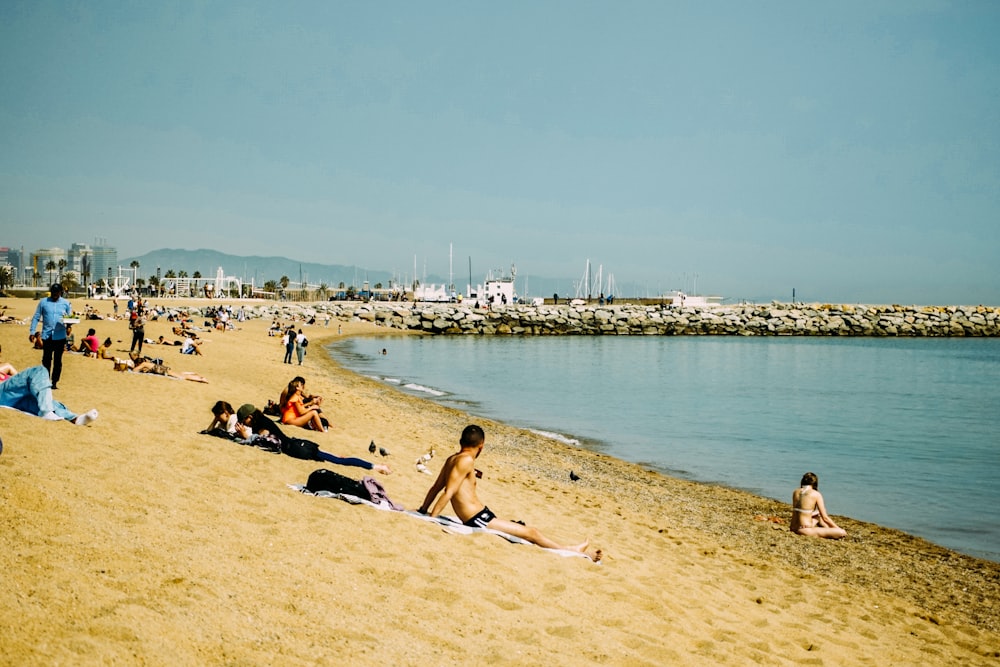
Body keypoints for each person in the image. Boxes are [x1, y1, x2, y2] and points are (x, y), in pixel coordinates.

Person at [418, 424, 600, 561]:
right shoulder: (466, 461)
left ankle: (570, 548)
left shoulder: (452, 459)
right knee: (532, 533)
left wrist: (423, 510)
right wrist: (431, 519)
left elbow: (436, 487)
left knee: (522, 530)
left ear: (461, 442)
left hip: (482, 516)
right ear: (481, 445)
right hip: (478, 519)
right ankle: (574, 551)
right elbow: (448, 492)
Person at [233, 403, 390, 474]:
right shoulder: (262, 420)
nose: (243, 424)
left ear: (250, 417)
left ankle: (376, 467)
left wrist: (246, 437)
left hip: (299, 448)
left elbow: (270, 441)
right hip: (298, 443)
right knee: (337, 458)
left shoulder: (261, 426)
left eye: (244, 420)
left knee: (339, 460)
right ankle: (375, 466)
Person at [0, 355, 98, 425]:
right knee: (39, 370)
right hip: (3, 392)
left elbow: (18, 380)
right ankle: (46, 411)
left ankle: (75, 419)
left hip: (14, 398)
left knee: (40, 400)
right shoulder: (5, 367)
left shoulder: (6, 369)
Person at [29, 283, 72, 388]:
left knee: (58, 361)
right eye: (53, 292)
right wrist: (32, 331)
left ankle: (54, 382)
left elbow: (70, 317)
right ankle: (46, 380)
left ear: (61, 292)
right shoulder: (43, 302)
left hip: (60, 336)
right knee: (46, 360)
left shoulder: (66, 303)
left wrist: (69, 325)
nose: (55, 294)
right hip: (47, 336)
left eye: (57, 292)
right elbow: (36, 317)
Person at [790, 472, 847, 539]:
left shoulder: (796, 492)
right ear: (815, 483)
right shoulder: (816, 494)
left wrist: (815, 514)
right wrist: (838, 528)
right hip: (805, 530)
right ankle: (830, 530)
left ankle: (827, 529)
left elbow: (800, 510)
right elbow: (825, 518)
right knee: (842, 532)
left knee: (818, 517)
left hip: (793, 527)